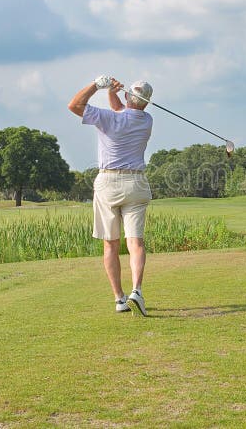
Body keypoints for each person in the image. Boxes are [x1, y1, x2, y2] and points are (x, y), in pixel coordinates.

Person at [68, 75, 154, 316]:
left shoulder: (108, 118)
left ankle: (119, 299)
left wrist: (98, 85)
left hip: (109, 183)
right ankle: (137, 290)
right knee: (135, 242)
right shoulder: (147, 120)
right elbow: (122, 112)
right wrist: (112, 93)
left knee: (111, 244)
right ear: (146, 103)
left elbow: (74, 105)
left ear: (128, 96)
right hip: (136, 183)